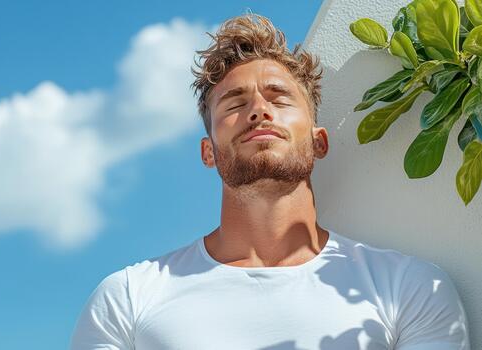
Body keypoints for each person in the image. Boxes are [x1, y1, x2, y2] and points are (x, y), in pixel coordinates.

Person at [69, 13, 471, 350]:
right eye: (235, 103)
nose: (259, 110)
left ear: (319, 142)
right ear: (208, 152)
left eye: (278, 98)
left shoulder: (411, 289)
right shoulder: (128, 298)